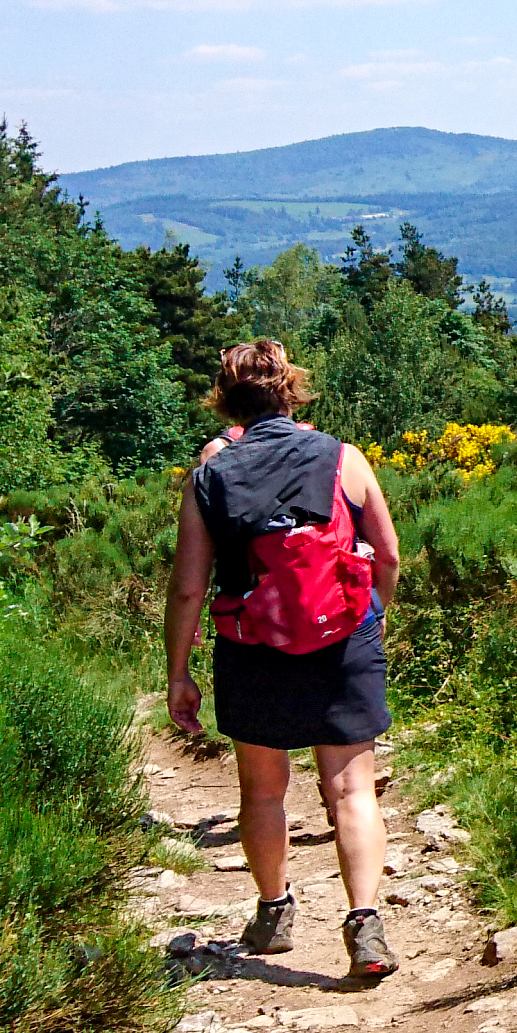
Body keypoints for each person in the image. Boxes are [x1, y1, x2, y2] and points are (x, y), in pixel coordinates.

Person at [164, 338, 405, 980]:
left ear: (226, 401)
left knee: (264, 791)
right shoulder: (343, 458)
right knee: (351, 786)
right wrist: (369, 622)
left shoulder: (210, 473)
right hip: (343, 641)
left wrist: (178, 672)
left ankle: (274, 912)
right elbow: (388, 557)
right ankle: (365, 924)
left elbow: (189, 585)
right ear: (291, 390)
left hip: (252, 647)